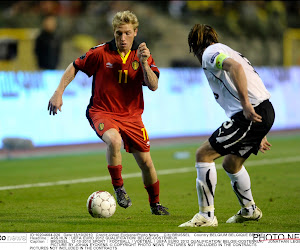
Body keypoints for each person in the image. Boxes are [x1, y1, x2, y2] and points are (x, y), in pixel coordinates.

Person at [47, 10, 169, 215]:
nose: (123, 38)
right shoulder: (100, 53)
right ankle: (119, 188)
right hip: (102, 111)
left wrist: (145, 63)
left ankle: (155, 204)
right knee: (114, 141)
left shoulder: (142, 56)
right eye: (119, 33)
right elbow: (75, 66)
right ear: (114, 32)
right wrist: (59, 92)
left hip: (131, 116)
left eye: (128, 33)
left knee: (147, 163)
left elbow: (154, 85)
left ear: (135, 32)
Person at [179, 24, 275, 227]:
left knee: (203, 154)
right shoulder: (227, 50)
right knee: (231, 164)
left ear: (194, 45)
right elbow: (250, 77)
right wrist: (260, 126)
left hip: (250, 113)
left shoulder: (210, 53)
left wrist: (248, 106)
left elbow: (236, 68)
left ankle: (206, 216)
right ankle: (249, 210)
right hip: (262, 111)